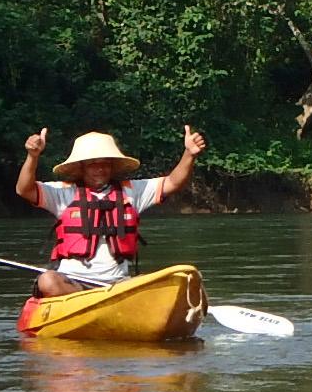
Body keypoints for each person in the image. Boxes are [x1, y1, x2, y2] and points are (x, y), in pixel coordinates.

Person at [15, 126, 206, 296]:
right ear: (81, 168)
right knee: (47, 280)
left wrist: (189, 154)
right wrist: (33, 157)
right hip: (73, 285)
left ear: (112, 166)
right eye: (93, 164)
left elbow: (172, 182)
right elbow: (24, 189)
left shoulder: (131, 191)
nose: (100, 169)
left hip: (119, 285)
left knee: (172, 280)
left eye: (105, 163)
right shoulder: (63, 192)